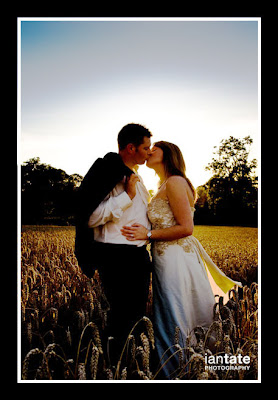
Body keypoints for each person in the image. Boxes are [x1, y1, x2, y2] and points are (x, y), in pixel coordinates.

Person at [121, 141, 242, 379]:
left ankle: (181, 370)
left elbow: (187, 228)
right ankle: (188, 366)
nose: (149, 151)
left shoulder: (175, 182)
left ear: (168, 155)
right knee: (175, 309)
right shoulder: (164, 184)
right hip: (167, 257)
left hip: (175, 257)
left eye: (154, 148)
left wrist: (147, 235)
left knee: (173, 310)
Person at [75, 123, 153, 363]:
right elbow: (89, 217)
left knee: (138, 315)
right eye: (145, 147)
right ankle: (114, 366)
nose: (149, 152)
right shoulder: (108, 173)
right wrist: (125, 197)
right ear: (131, 147)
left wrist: (149, 234)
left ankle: (134, 365)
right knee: (121, 318)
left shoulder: (136, 178)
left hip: (138, 257)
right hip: (116, 257)